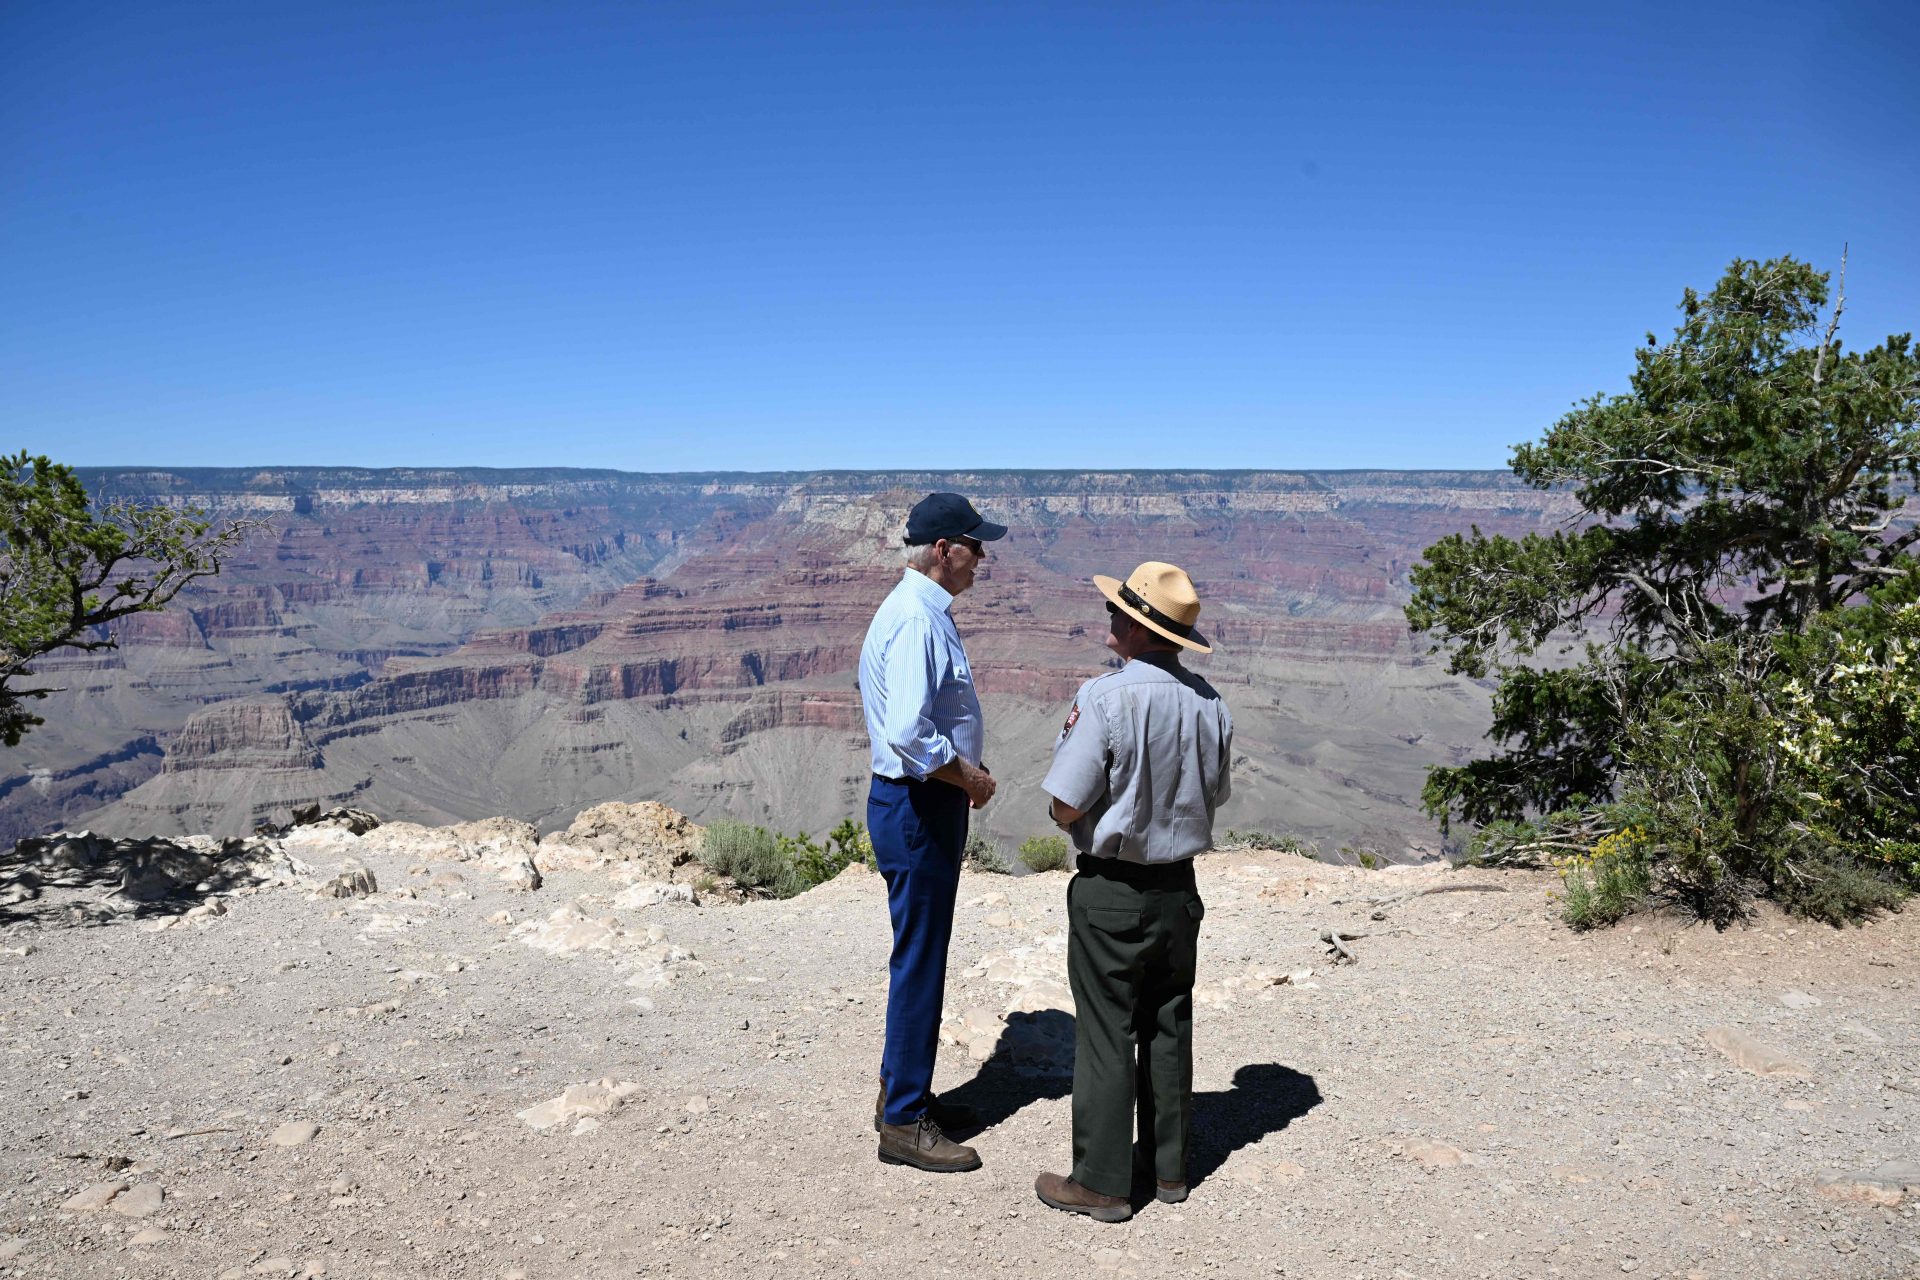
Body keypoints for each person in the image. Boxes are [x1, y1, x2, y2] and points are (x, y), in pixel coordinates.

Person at [1034, 561, 1233, 1221]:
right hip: (1180, 889)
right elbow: (1216, 794)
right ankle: (1169, 1170)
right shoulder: (1210, 702)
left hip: (1113, 889)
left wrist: (1080, 820)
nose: (1109, 620)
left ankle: (1100, 1182)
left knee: (1106, 1031)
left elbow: (1066, 799)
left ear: (1140, 627)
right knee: (1170, 1022)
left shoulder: (1107, 697)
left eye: (1119, 611)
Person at [859, 491, 1007, 1173]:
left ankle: (905, 1089)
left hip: (917, 803)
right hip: (920, 806)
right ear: (943, 550)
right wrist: (970, 779)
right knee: (920, 958)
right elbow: (910, 734)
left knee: (918, 951)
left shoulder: (914, 609)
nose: (984, 559)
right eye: (976, 547)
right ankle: (904, 1122)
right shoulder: (919, 620)